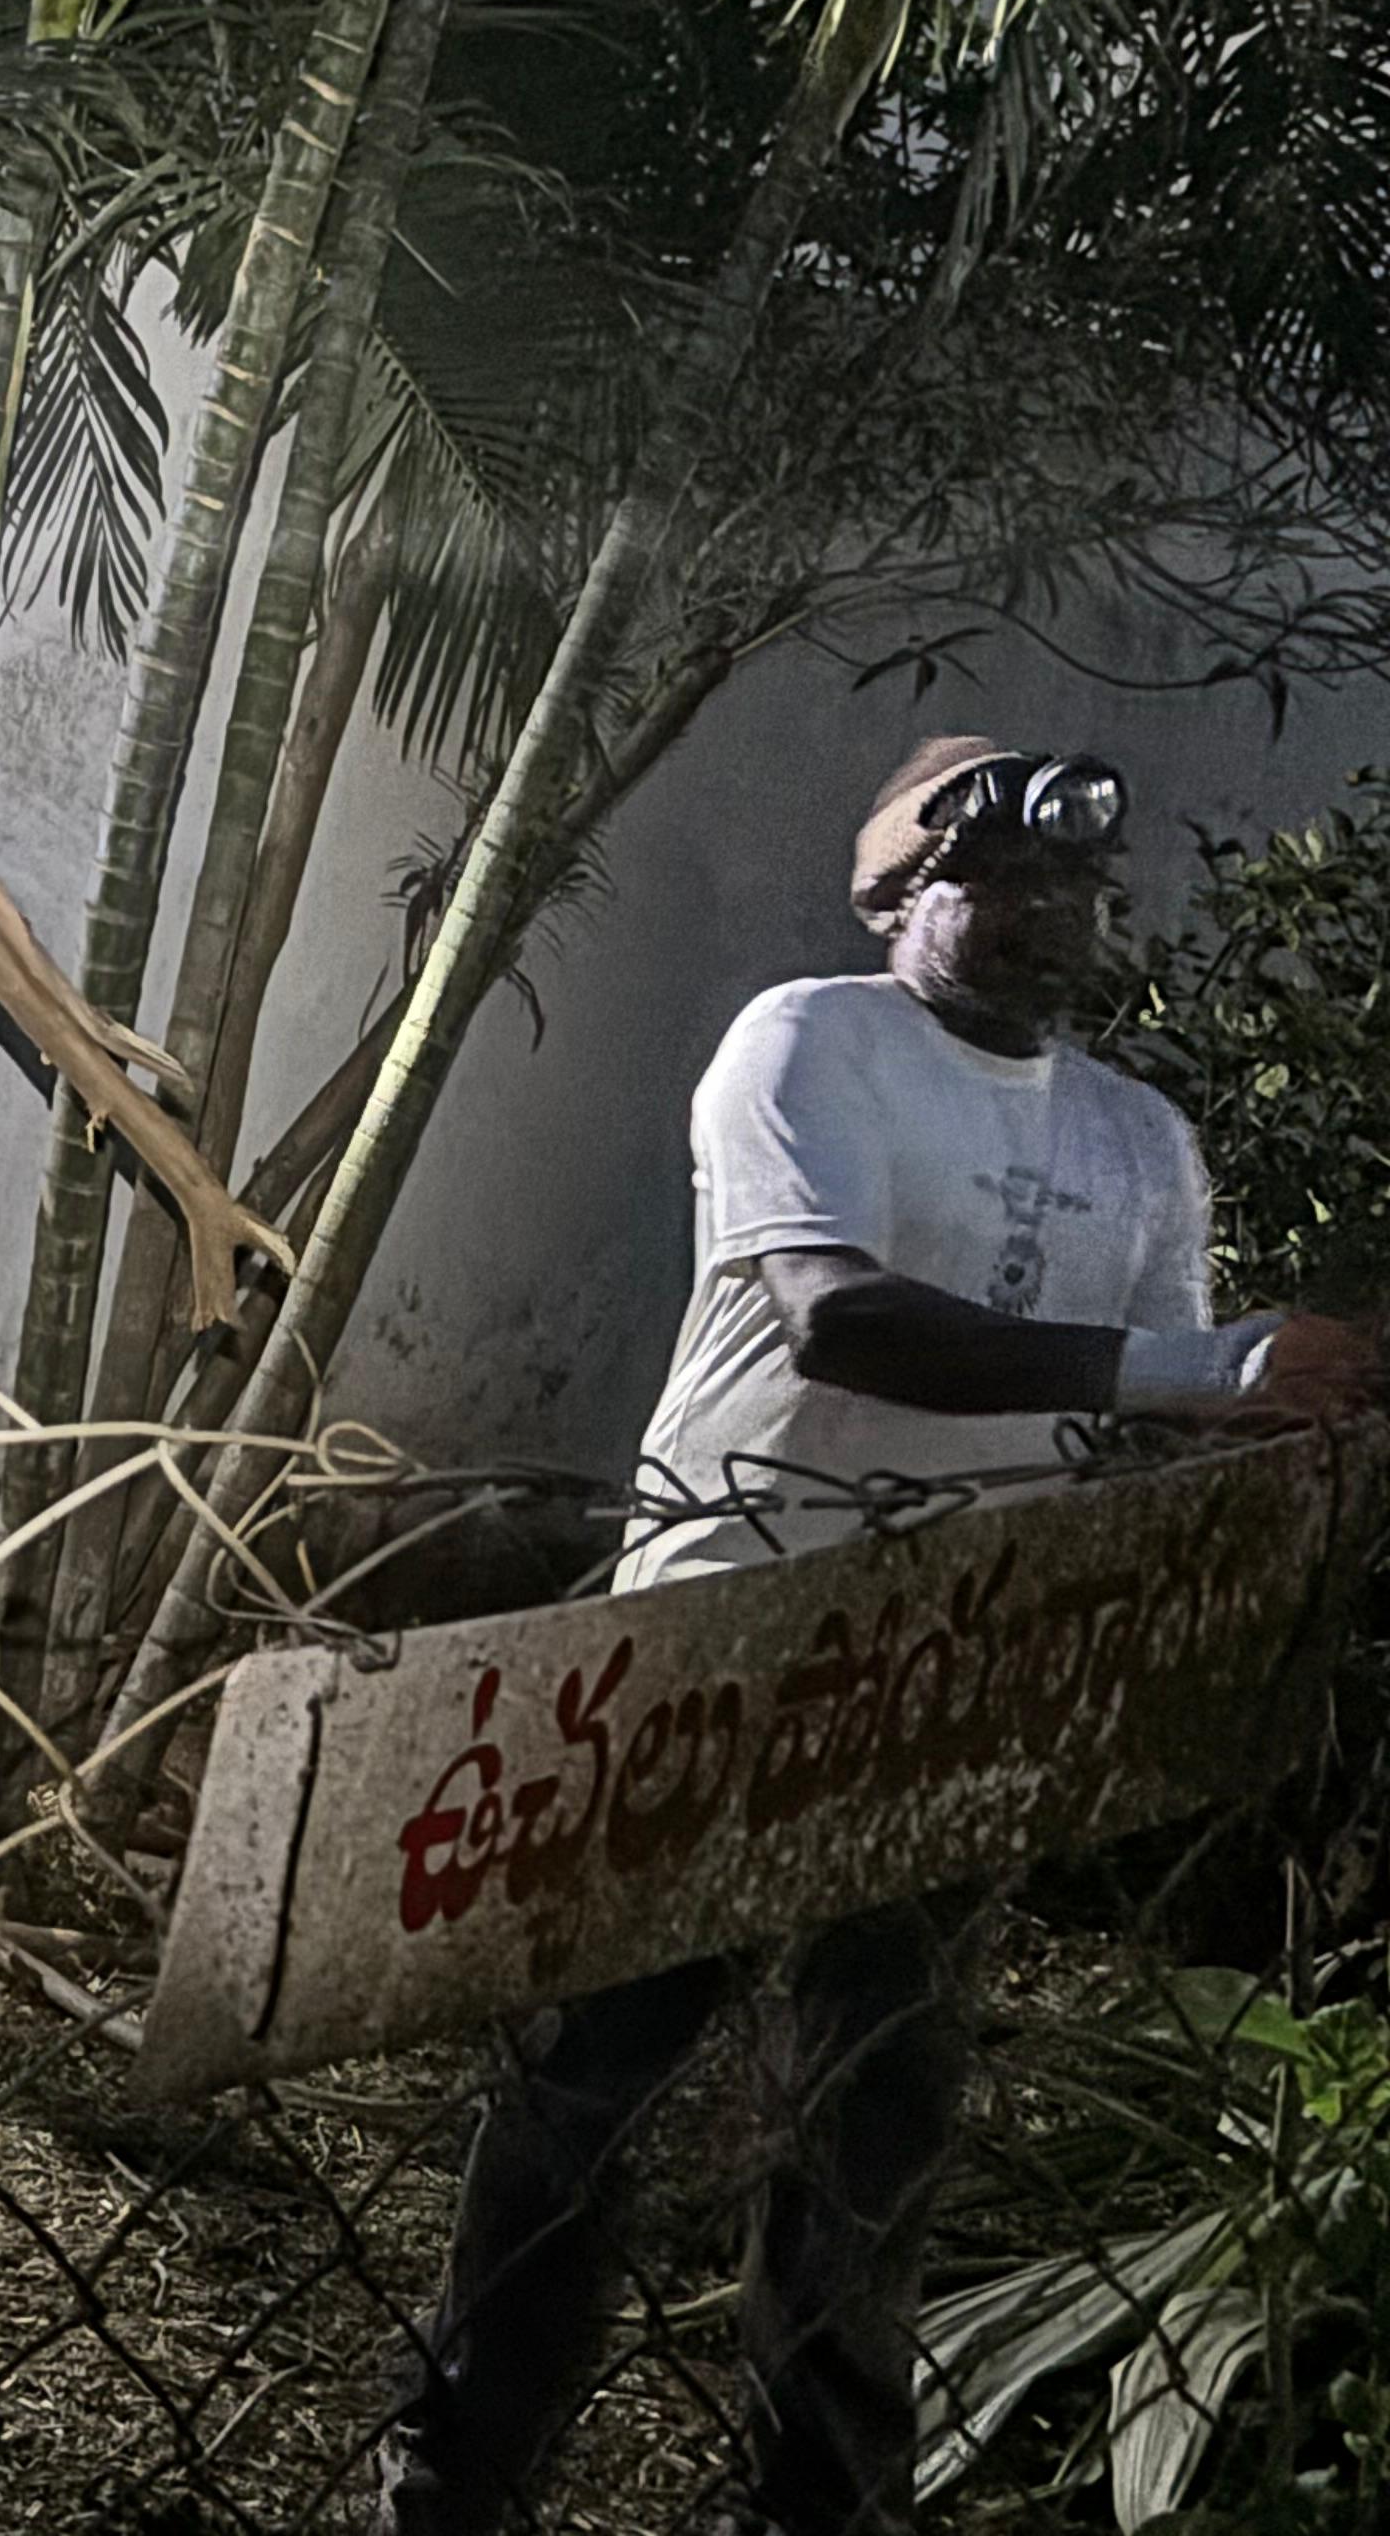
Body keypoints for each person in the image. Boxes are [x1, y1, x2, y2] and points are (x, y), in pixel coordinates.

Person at [368, 732, 1376, 2536]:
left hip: (945, 1671)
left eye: (1073, 884)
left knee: (874, 2110)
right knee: (590, 2080)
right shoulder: (808, 1042)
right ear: (900, 896)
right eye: (999, 879)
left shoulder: (1141, 1141)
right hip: (727, 1635)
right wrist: (1206, 1369)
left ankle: (816, 2503)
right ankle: (458, 2482)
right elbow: (840, 1319)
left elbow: (1139, 1421)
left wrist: (1276, 1429)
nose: (1048, 912)